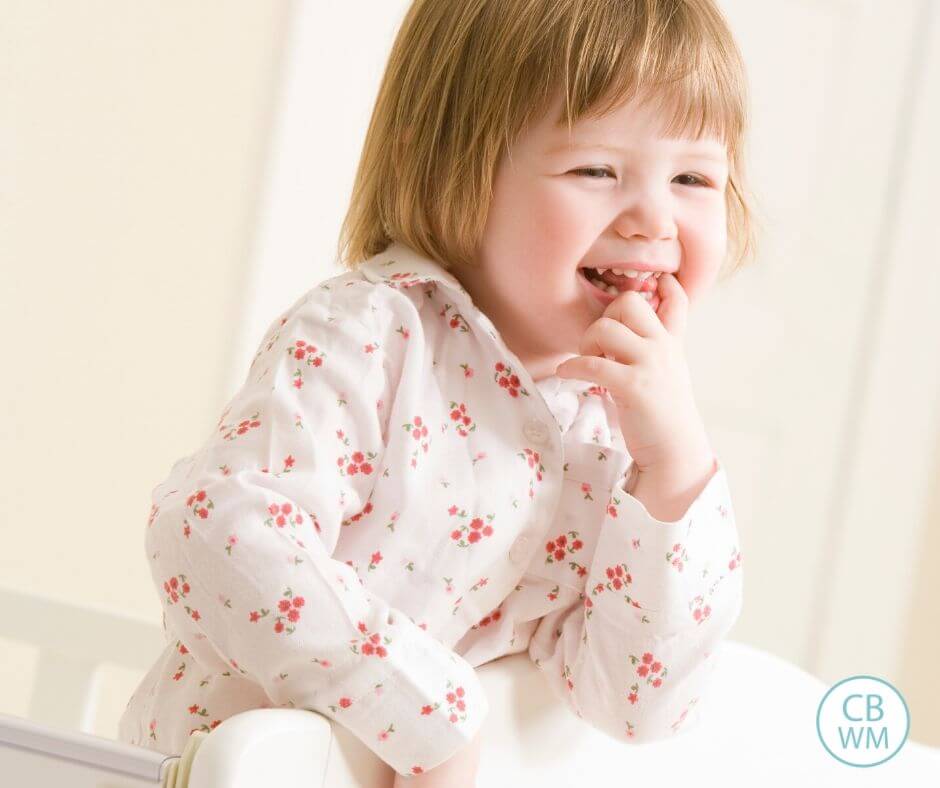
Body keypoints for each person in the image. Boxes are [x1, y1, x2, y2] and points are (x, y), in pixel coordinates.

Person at [118, 0, 758, 785]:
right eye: (597, 169)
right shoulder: (372, 337)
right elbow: (214, 529)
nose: (654, 219)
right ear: (451, 162)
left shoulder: (619, 427)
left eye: (694, 177)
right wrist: (428, 716)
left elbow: (639, 706)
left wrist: (675, 470)